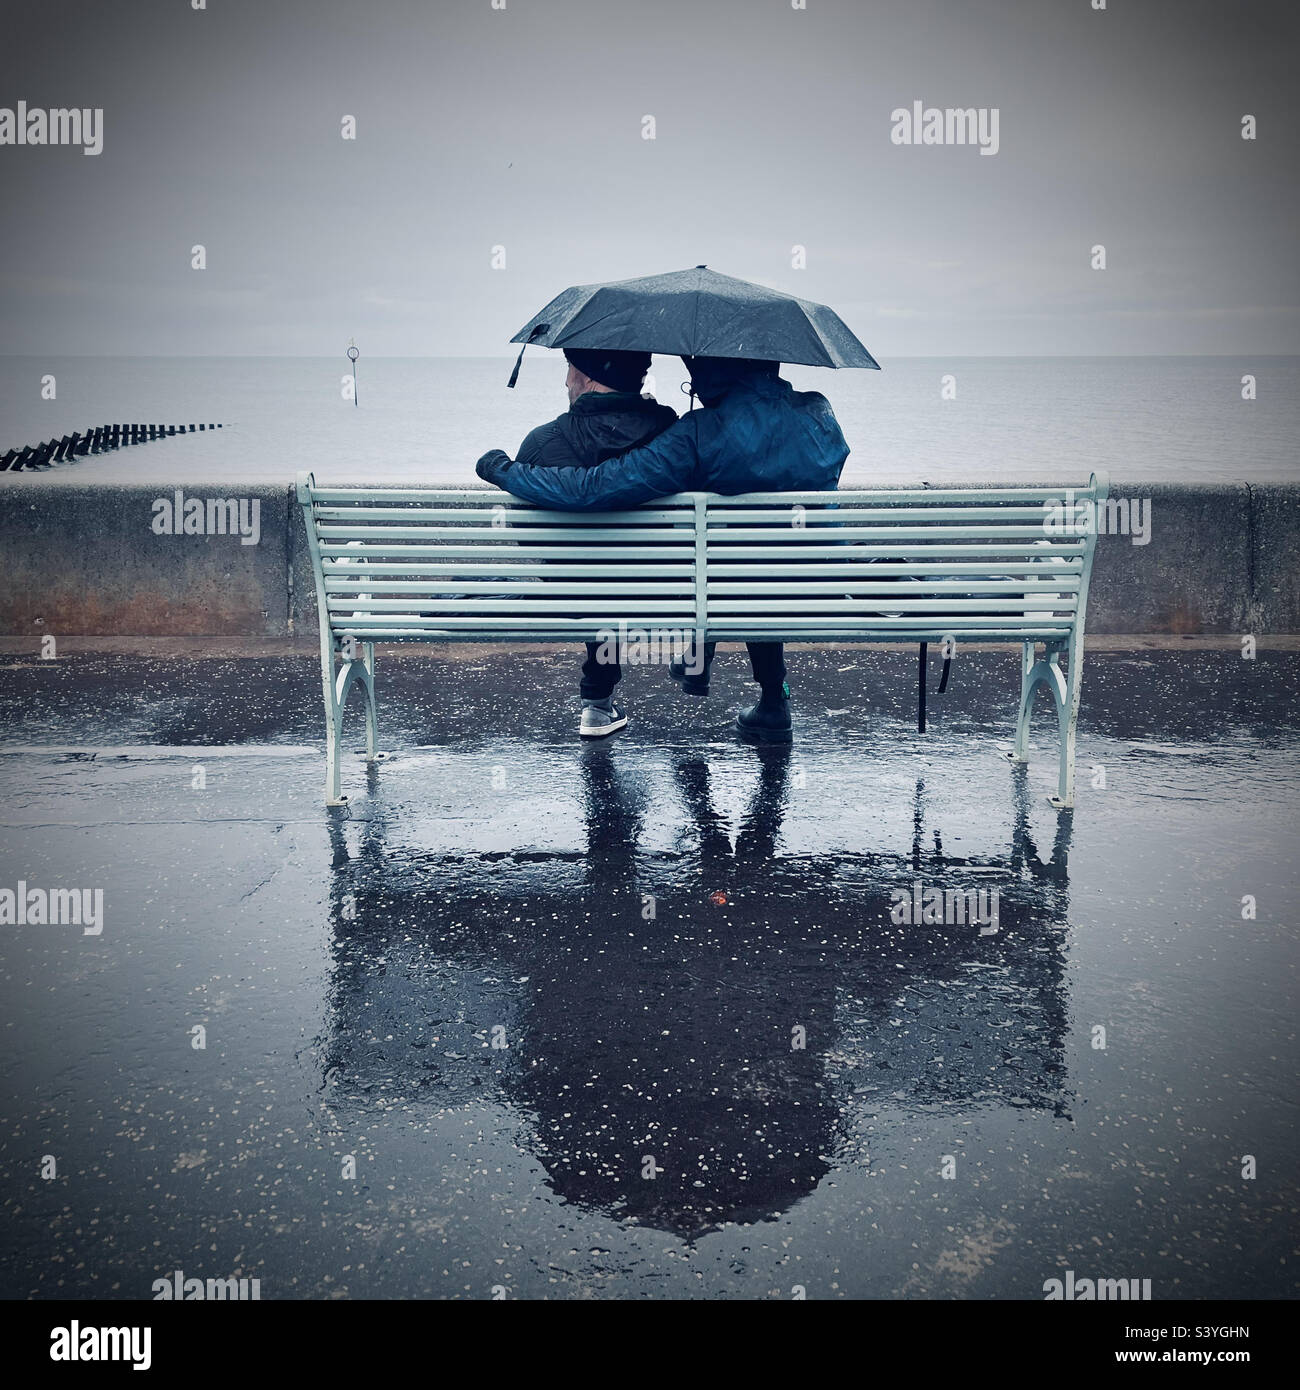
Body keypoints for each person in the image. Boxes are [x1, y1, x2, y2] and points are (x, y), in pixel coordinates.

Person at [477, 355, 849, 744]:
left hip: (725, 586)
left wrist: (504, 470)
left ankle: (687, 665)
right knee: (754, 554)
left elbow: (595, 489)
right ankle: (773, 697)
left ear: (714, 372)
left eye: (696, 370)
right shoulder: (819, 412)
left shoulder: (700, 433)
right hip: (817, 582)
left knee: (734, 560)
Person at [482, 347, 677, 738]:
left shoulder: (541, 443)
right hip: (664, 590)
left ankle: (596, 706)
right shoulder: (673, 438)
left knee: (587, 571)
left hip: (576, 589)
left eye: (570, 369)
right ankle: (770, 694)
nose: (566, 379)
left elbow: (529, 536)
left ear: (588, 378)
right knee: (618, 567)